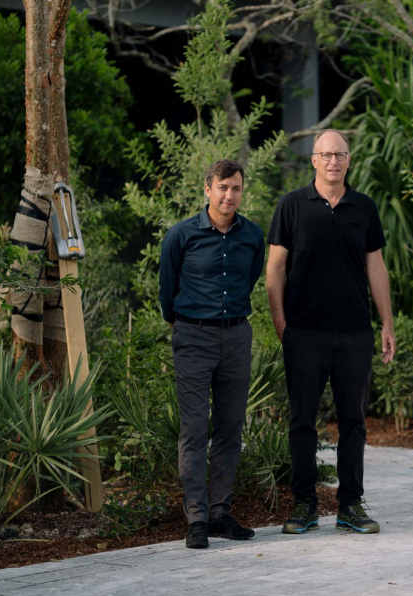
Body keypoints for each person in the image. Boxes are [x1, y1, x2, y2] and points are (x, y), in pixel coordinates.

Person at [266, 129, 396, 535]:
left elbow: (376, 266)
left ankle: (350, 505)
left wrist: (386, 321)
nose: (333, 161)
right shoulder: (291, 206)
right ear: (313, 160)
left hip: (355, 332)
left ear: (349, 160)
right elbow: (274, 270)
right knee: (302, 420)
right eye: (326, 154)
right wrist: (282, 324)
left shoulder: (364, 207)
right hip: (304, 332)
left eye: (340, 154)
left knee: (353, 421)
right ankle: (304, 504)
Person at [159, 159, 265, 549]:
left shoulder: (253, 236)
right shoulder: (181, 235)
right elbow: (166, 289)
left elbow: (250, 278)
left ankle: (220, 514)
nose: (229, 195)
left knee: (230, 427)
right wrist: (184, 325)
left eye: (235, 188)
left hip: (236, 336)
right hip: (193, 338)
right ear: (207, 189)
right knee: (194, 430)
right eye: (222, 187)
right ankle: (197, 520)